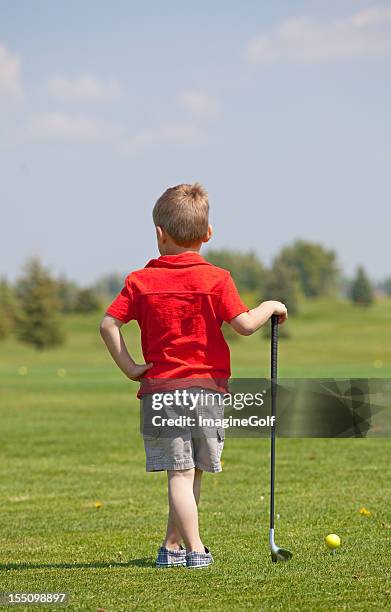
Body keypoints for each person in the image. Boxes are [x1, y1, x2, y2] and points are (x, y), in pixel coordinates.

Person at [100, 183, 287, 568]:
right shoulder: (216, 279)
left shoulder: (140, 281)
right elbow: (245, 325)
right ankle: (196, 551)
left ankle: (172, 548)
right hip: (207, 391)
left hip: (162, 391)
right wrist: (270, 305)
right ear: (208, 234)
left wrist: (132, 368)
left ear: (159, 234)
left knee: (182, 474)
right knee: (192, 473)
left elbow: (108, 326)